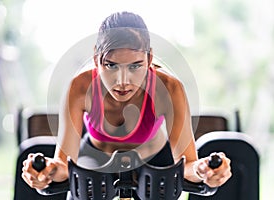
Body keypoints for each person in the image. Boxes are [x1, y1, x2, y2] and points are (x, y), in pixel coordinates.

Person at [22, 11, 231, 197]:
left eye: (135, 66)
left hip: (154, 159)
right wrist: (46, 172)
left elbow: (187, 164)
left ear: (149, 59)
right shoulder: (79, 89)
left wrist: (203, 170)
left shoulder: (169, 89)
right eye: (111, 65)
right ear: (96, 59)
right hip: (95, 158)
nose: (122, 80)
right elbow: (64, 165)